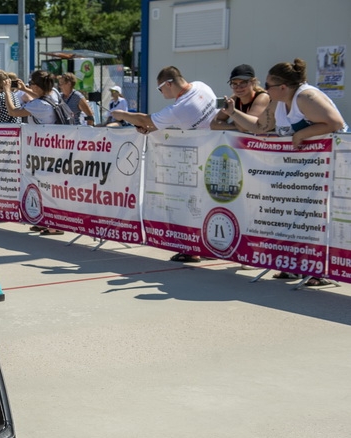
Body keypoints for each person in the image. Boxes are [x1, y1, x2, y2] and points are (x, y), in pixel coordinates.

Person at [225, 58, 347, 287]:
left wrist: (301, 135)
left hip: (331, 166)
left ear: (282, 87)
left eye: (269, 85)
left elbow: (336, 123)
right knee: (294, 216)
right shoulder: (277, 102)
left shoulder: (306, 97)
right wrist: (233, 113)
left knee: (317, 218)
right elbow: (259, 127)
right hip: (302, 169)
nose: (265, 90)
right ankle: (296, 266)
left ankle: (318, 269)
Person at [112, 66, 217, 263]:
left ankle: (192, 249)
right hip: (215, 152)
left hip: (198, 160)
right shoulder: (202, 87)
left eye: (160, 89)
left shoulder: (181, 106)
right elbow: (185, 123)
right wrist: (152, 129)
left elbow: (146, 119)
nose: (160, 93)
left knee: (190, 206)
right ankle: (210, 247)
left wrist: (122, 115)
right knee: (207, 204)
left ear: (168, 84)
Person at [0, 70, 65, 235]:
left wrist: (7, 91)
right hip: (50, 149)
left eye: (30, 85)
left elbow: (13, 112)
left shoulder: (38, 105)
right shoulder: (52, 96)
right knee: (43, 187)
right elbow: (41, 97)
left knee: (47, 188)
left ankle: (54, 225)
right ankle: (44, 220)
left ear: (36, 86)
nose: (28, 87)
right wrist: (26, 89)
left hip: (45, 151)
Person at [211, 64, 270, 133]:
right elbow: (214, 124)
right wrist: (235, 126)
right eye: (234, 84)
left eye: (243, 83)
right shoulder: (235, 98)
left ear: (253, 82)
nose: (238, 87)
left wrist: (232, 113)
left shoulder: (262, 97)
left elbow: (248, 127)